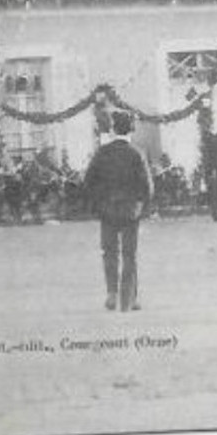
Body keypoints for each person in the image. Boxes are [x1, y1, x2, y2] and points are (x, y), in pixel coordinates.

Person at [81, 111, 153, 311]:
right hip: (131, 210)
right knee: (130, 254)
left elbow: (88, 182)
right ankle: (130, 298)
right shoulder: (137, 153)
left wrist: (97, 204)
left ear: (113, 129)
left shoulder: (102, 152)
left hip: (108, 210)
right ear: (130, 129)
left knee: (110, 252)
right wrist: (143, 207)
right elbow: (147, 186)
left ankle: (112, 294)